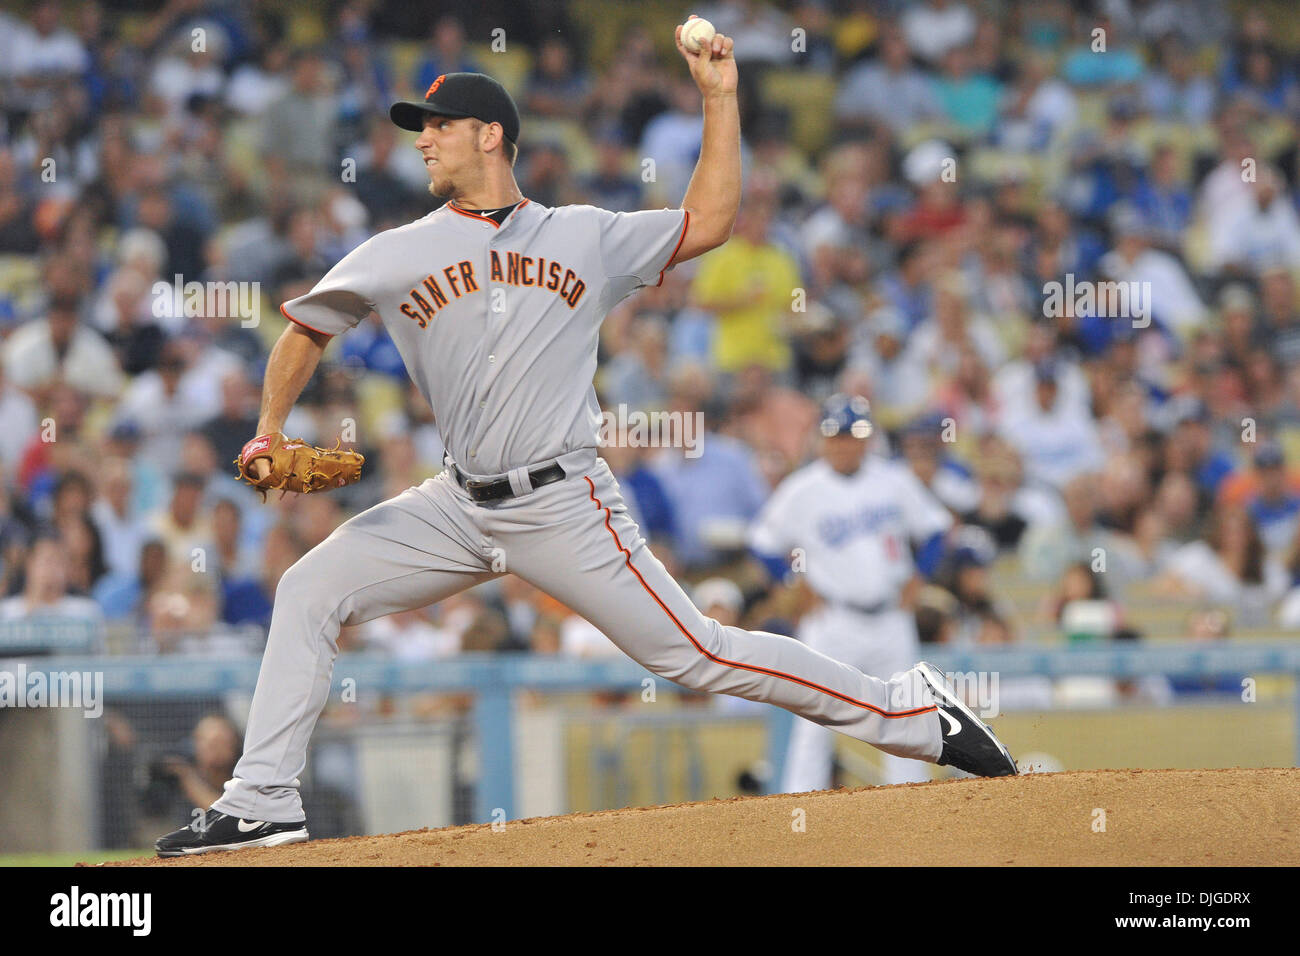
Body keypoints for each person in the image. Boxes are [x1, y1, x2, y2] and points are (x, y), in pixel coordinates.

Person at [157, 32, 1016, 857]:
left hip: (565, 501)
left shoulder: (586, 235)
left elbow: (708, 219)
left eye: (438, 125)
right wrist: (269, 428)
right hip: (456, 504)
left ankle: (913, 718)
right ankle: (262, 801)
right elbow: (304, 328)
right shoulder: (399, 251)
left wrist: (720, 100)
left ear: (491, 135)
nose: (423, 141)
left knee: (697, 653)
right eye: (420, 128)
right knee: (309, 588)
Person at [749, 395, 954, 791]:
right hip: (832, 621)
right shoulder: (803, 488)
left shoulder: (894, 480)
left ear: (867, 439)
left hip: (890, 616)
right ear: (823, 439)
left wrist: (920, 576)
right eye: (837, 435)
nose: (845, 443)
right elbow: (760, 541)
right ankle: (799, 807)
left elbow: (936, 529)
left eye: (854, 434)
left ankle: (910, 812)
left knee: (907, 715)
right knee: (814, 720)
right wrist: (792, 583)